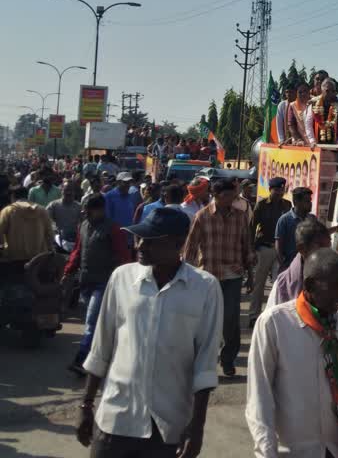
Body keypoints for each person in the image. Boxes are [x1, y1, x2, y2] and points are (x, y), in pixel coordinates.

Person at [76, 208, 223, 458]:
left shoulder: (205, 288)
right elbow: (102, 347)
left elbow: (205, 364)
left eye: (151, 240)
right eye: (140, 238)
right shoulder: (121, 278)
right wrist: (86, 404)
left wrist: (196, 428)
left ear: (178, 243)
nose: (141, 245)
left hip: (168, 425)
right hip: (116, 418)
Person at [247, 248, 338, 458]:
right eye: (335, 286)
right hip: (293, 452)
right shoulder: (274, 324)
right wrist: (266, 451)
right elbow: (259, 397)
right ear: (310, 285)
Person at [183, 178, 252, 377]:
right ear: (215, 196)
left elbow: (246, 245)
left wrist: (251, 273)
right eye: (226, 196)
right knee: (207, 321)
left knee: (231, 320)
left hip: (233, 275)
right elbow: (190, 249)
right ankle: (206, 361)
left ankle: (228, 359)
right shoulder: (201, 217)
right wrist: (186, 276)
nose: (231, 199)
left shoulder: (240, 217)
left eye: (233, 196)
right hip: (208, 276)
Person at [62, 194, 131, 375]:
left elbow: (124, 257)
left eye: (89, 210)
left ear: (100, 210)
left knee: (92, 323)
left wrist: (128, 281)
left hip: (104, 284)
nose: (85, 213)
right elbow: (77, 251)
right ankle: (101, 358)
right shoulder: (83, 226)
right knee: (94, 323)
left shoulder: (113, 229)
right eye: (85, 209)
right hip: (86, 282)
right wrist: (68, 271)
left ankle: (82, 360)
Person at [248, 177, 292, 324]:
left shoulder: (287, 205)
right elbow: (252, 228)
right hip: (264, 248)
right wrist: (251, 250)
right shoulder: (261, 205)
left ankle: (271, 317)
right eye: (277, 190)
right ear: (270, 190)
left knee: (278, 285)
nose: (280, 192)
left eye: (282, 190)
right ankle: (254, 316)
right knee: (259, 284)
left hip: (280, 250)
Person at [265, 217, 332, 309]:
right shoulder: (283, 284)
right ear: (302, 248)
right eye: (320, 245)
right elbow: (271, 318)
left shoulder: (334, 277)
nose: (326, 251)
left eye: (328, 245)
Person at [0, 185, 54, 263]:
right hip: (38, 258)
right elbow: (50, 234)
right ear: (27, 195)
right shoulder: (42, 210)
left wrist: (4, 250)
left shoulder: (8, 211)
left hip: (14, 258)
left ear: (12, 196)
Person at [275, 187, 313, 271]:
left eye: (310, 200)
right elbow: (278, 246)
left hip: (308, 267)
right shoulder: (284, 220)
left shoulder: (312, 219)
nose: (310, 203)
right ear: (296, 202)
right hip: (290, 267)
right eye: (307, 201)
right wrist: (283, 266)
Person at [306, 78, 338, 146]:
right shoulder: (313, 103)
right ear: (322, 90)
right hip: (316, 145)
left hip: (335, 145)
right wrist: (312, 141)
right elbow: (308, 125)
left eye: (333, 91)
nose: (331, 93)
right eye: (327, 91)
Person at [104, 172, 140, 236]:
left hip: (129, 237)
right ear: (118, 182)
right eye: (125, 182)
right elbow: (107, 219)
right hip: (115, 237)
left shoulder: (130, 196)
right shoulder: (109, 196)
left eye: (129, 182)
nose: (128, 184)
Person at [287, 81, 311, 145]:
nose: (303, 94)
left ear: (309, 92)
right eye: (300, 92)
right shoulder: (292, 106)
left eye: (305, 91)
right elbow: (291, 125)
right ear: (296, 94)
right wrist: (298, 139)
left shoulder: (316, 102)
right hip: (299, 143)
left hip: (315, 142)